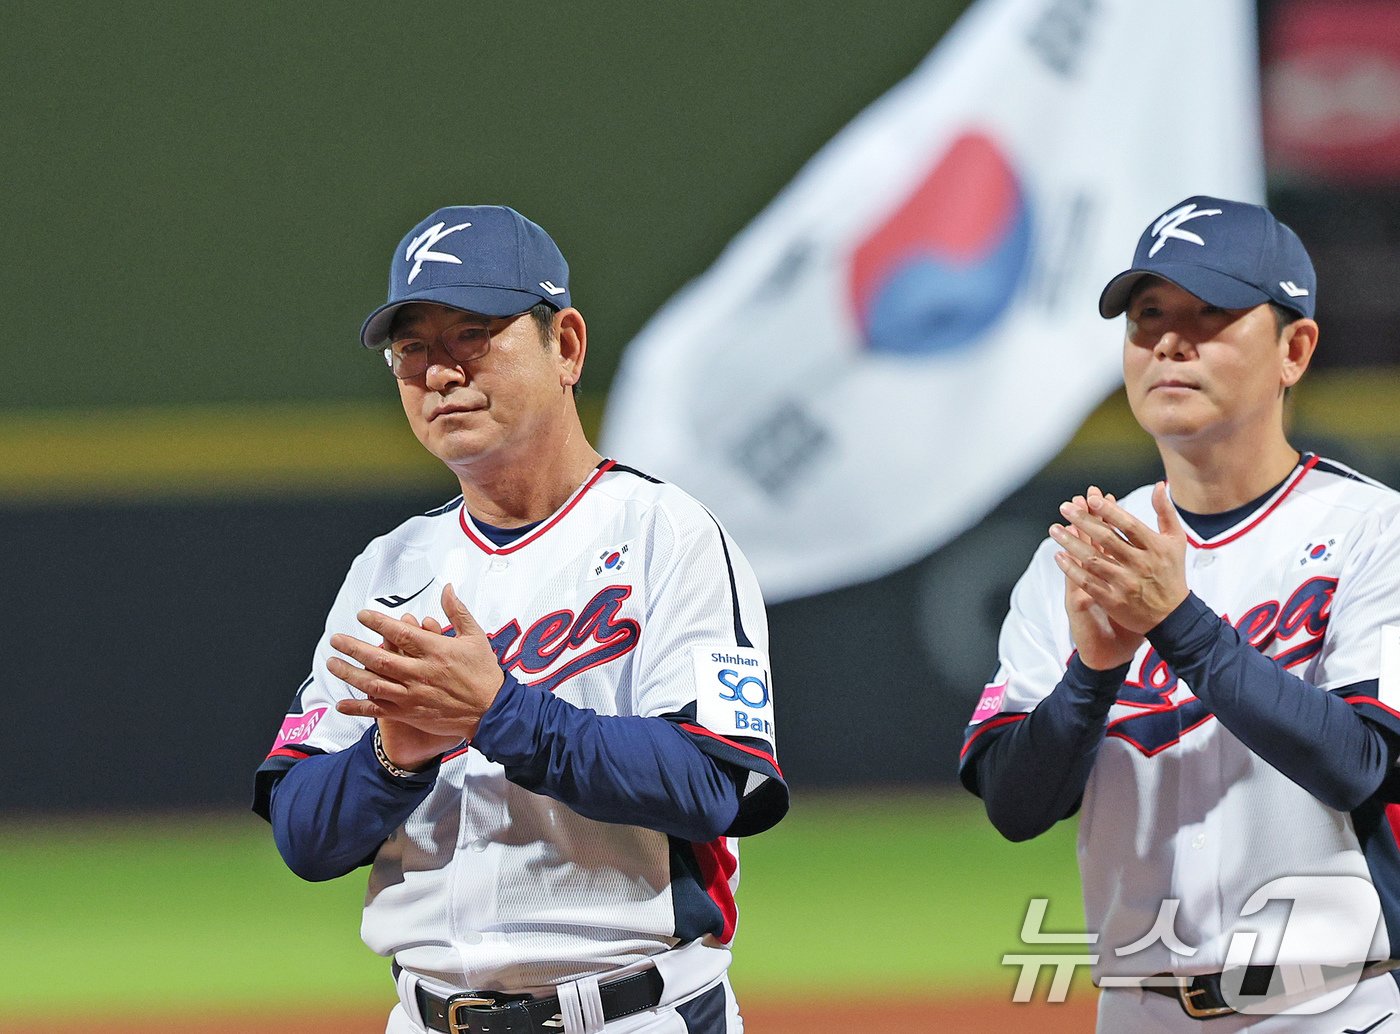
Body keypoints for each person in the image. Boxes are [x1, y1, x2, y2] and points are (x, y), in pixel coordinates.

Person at [253, 205, 788, 1034]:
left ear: (566, 346)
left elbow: (713, 782)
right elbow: (304, 834)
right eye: (413, 348)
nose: (439, 372)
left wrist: (497, 715)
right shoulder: (390, 568)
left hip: (629, 1013)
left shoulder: (663, 534)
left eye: (473, 334)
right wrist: (394, 759)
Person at [960, 195, 1400, 1031]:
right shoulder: (1081, 555)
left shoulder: (1375, 534)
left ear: (1294, 349)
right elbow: (1015, 807)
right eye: (1148, 315)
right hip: (1139, 1010)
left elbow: (1364, 763)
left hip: (1335, 1005)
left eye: (1211, 313)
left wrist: (1178, 623)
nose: (1169, 340)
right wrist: (1091, 673)